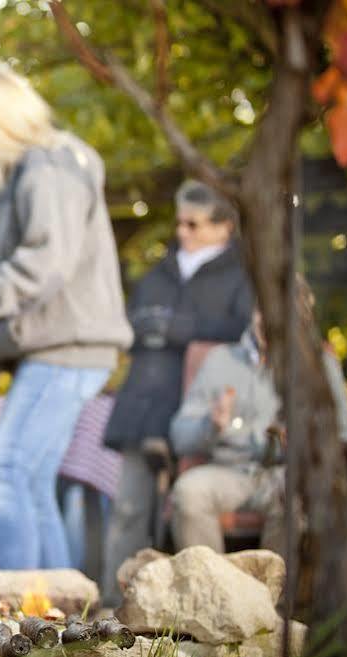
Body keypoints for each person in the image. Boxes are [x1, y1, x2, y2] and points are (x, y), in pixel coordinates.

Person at [0, 64, 132, 571]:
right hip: (64, 349)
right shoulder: (37, 171)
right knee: (31, 482)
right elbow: (27, 306)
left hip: (66, 354)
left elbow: (42, 268)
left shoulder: (48, 168)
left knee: (2, 470)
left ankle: (16, 615)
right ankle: (54, 614)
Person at [100, 180, 253, 606]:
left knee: (186, 511)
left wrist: (184, 329)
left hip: (200, 410)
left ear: (224, 226)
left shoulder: (242, 276)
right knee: (130, 509)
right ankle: (115, 605)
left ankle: (192, 610)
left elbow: (245, 339)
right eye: (180, 222)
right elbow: (132, 323)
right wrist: (147, 328)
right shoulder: (162, 270)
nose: (182, 231)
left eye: (194, 223)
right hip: (142, 404)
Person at [170, 302, 347, 554]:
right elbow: (179, 435)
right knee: (188, 492)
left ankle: (275, 591)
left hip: (288, 473)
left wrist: (313, 444)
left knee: (296, 497)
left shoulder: (320, 364)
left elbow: (346, 437)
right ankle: (213, 587)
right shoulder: (220, 359)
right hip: (230, 470)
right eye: (265, 307)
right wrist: (211, 425)